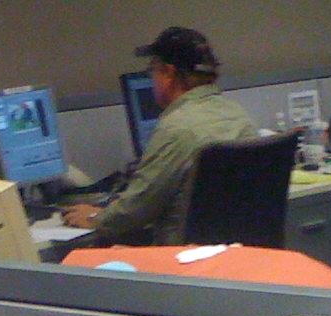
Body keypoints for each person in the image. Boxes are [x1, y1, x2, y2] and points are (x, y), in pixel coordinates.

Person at [62, 27, 257, 244]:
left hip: (181, 261)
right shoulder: (239, 115)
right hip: (237, 256)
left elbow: (138, 208)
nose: (152, 79)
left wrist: (96, 217)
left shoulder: (177, 127)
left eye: (152, 71)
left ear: (169, 74)